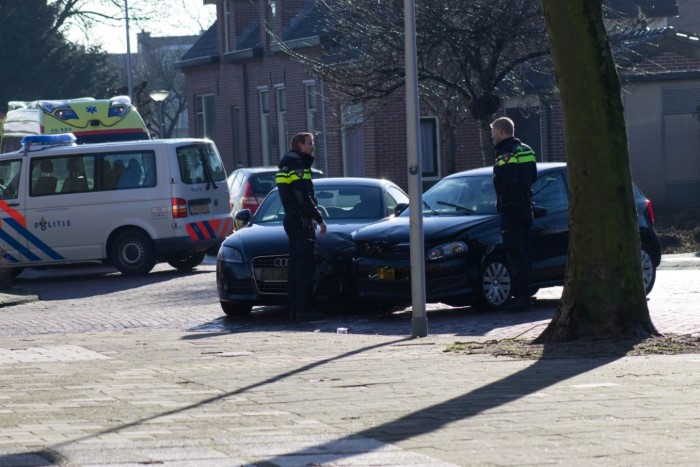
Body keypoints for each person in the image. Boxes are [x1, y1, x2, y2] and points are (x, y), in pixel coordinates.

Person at [276, 132, 327, 321]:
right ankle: (305, 310)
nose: (313, 147)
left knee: (295, 268)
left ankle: (295, 310)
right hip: (301, 221)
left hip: (292, 219)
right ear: (300, 145)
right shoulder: (298, 165)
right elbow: (303, 197)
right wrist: (319, 219)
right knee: (304, 268)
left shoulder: (285, 164)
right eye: (310, 143)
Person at [491, 117, 538, 311]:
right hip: (527, 208)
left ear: (502, 132)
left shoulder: (506, 153)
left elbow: (507, 180)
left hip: (511, 209)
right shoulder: (527, 150)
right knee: (525, 252)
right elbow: (533, 177)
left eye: (493, 131)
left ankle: (521, 297)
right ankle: (526, 293)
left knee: (514, 254)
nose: (492, 135)